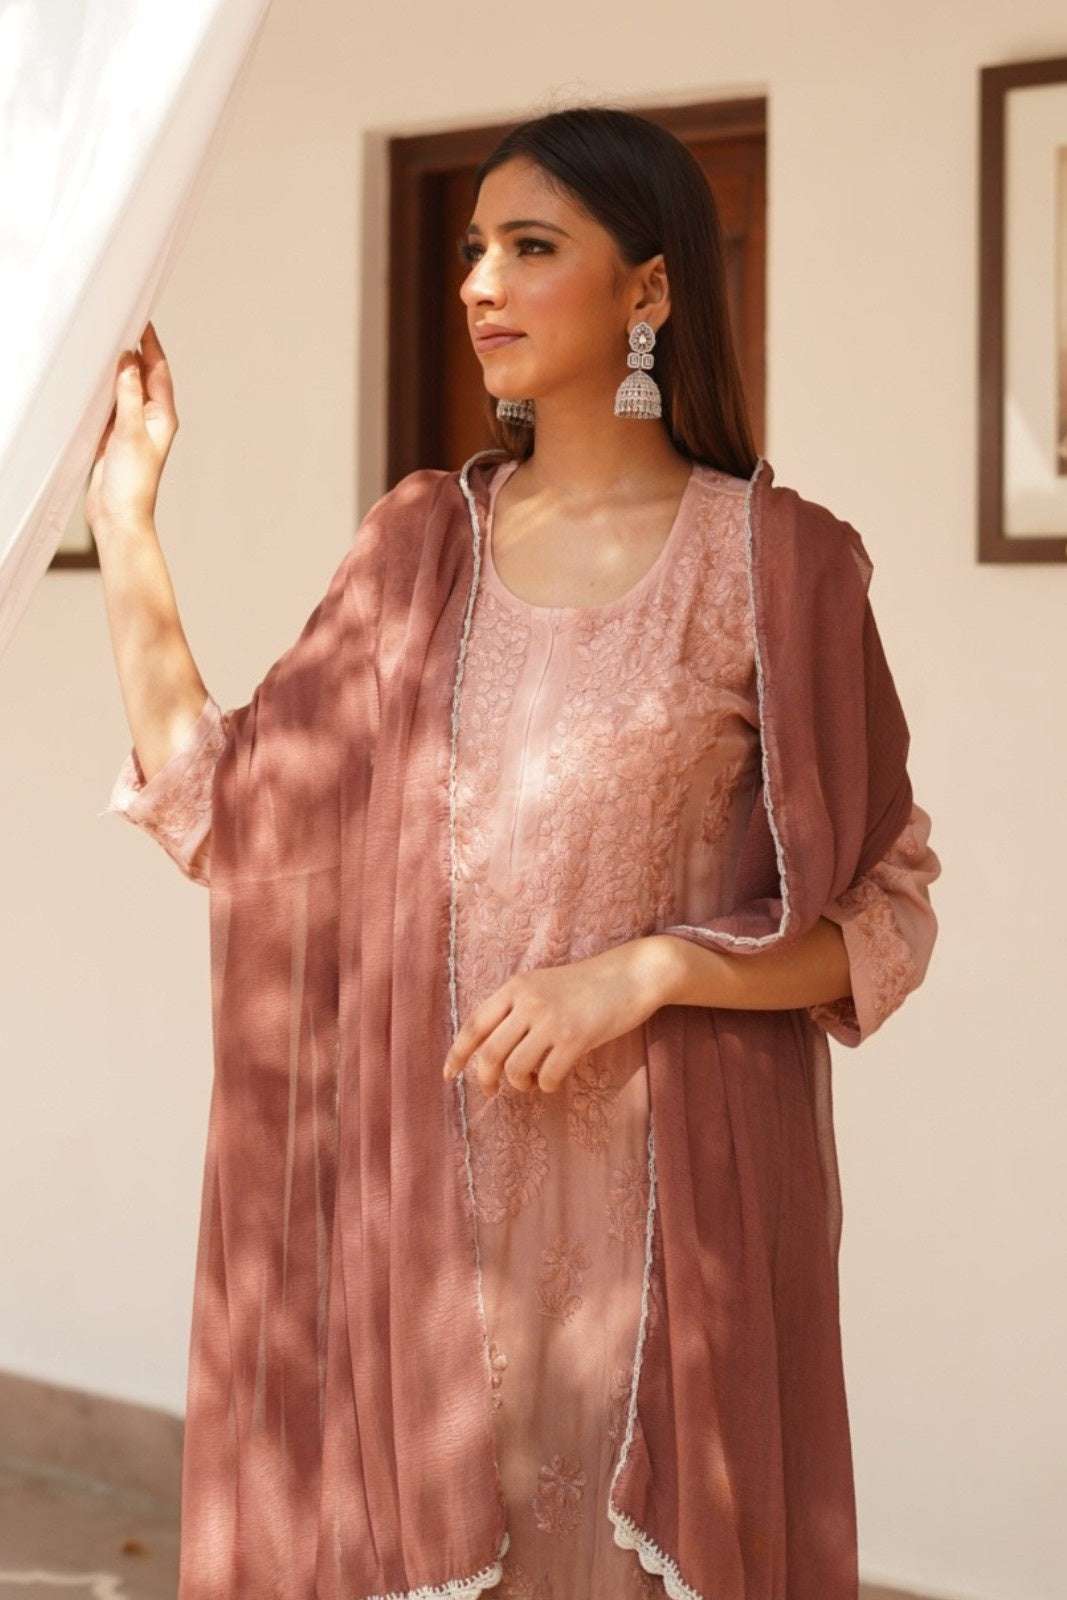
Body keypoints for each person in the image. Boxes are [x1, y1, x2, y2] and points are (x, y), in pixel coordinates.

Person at [93, 108, 940, 1600]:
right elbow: (230, 812)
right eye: (472, 247)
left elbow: (880, 915)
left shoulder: (777, 564)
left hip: (667, 1246)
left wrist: (651, 970)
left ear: (651, 292)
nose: (481, 280)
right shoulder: (421, 547)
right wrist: (126, 521)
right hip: (428, 1230)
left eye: (531, 247)